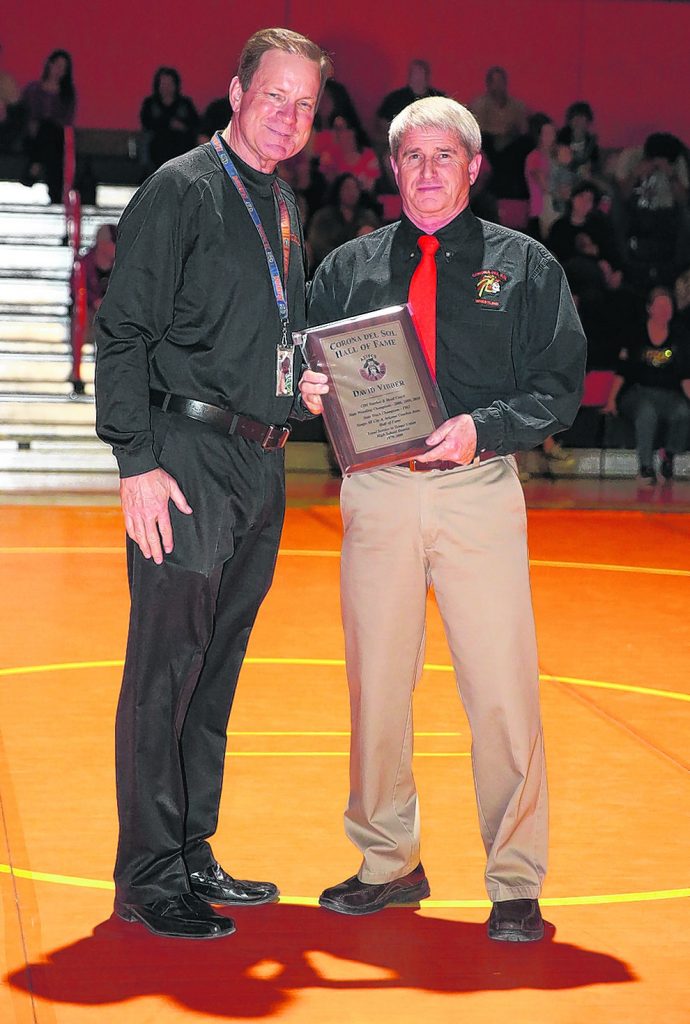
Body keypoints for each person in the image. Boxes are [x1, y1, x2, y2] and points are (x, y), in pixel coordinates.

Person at [299, 97, 586, 942]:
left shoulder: (524, 265)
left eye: (443, 156)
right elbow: (300, 361)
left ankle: (515, 879)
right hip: (378, 492)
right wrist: (305, 388)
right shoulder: (346, 268)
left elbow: (558, 389)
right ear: (391, 170)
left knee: (501, 690)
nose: (427, 171)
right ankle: (389, 862)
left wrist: (483, 427)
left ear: (472, 167)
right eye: (411, 157)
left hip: (478, 489)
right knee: (377, 686)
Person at [95, 27, 331, 940]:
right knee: (166, 672)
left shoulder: (281, 203)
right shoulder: (183, 188)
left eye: (306, 105)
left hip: (260, 461)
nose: (289, 117)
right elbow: (123, 330)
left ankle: (190, 847)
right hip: (184, 458)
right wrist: (135, 460)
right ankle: (148, 876)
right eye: (275, 95)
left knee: (216, 670)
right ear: (235, 92)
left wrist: (302, 383)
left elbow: (274, 329)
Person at [603, 286, 690, 482]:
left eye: (667, 306)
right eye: (659, 306)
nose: (664, 310)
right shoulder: (636, 333)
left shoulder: (680, 336)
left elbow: (685, 376)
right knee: (646, 414)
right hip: (638, 393)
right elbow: (622, 372)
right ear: (649, 308)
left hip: (669, 394)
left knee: (683, 413)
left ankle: (669, 455)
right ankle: (645, 466)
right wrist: (611, 400)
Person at [21, 49, 76, 203]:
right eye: (57, 66)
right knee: (46, 131)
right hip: (33, 137)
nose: (59, 71)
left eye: (63, 68)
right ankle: (55, 195)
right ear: (49, 65)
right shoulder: (33, 90)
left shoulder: (67, 95)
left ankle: (35, 165)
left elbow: (66, 120)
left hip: (55, 139)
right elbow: (27, 115)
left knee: (50, 133)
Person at [69, 223, 117, 395]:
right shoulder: (84, 263)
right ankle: (76, 374)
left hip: (112, 316)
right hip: (89, 315)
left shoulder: (121, 265)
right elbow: (75, 291)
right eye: (112, 242)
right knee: (79, 321)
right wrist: (95, 301)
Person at [307, 172, 380, 270]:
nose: (352, 192)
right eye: (347, 188)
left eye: (355, 188)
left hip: (361, 269)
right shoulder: (323, 217)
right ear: (339, 190)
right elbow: (318, 246)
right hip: (329, 267)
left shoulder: (367, 216)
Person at [140, 67, 199, 172]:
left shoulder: (185, 104)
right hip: (157, 150)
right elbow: (147, 124)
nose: (166, 87)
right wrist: (167, 124)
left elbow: (195, 125)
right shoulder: (150, 104)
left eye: (169, 83)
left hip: (181, 151)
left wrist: (182, 126)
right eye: (163, 83)